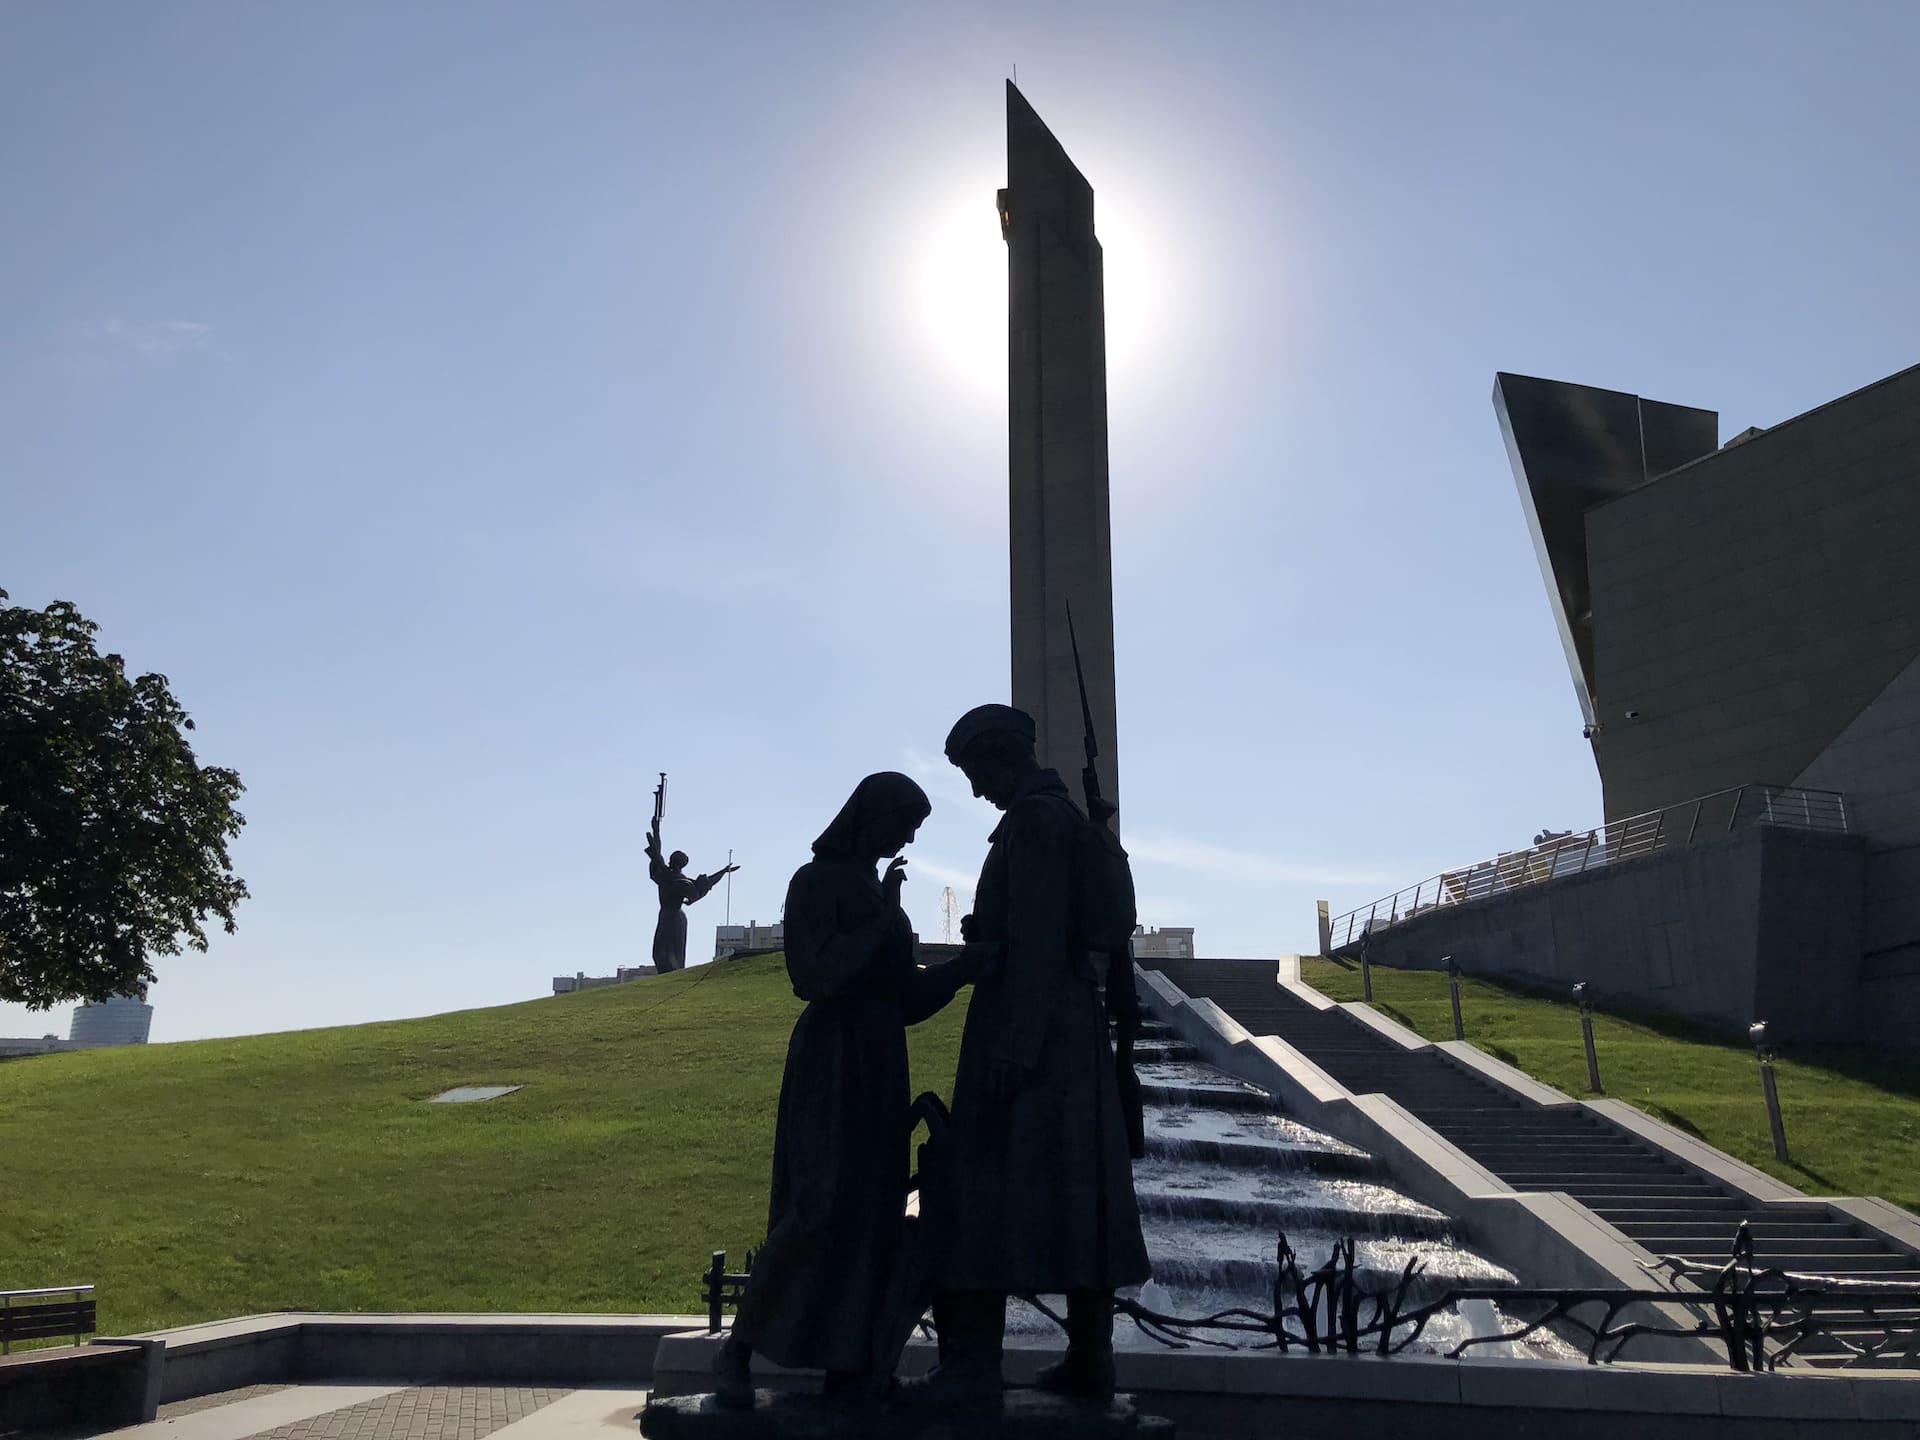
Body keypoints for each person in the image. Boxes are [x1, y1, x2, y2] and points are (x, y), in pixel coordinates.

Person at [714, 772, 991, 1408]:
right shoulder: (814, 883)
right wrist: (883, 925)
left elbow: (903, 1001)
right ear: (873, 817)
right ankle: (737, 1352)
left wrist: (961, 972)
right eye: (906, 822)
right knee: (814, 1208)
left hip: (878, 1064)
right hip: (831, 1064)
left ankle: (852, 1361)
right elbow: (812, 975)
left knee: (872, 1214)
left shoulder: (873, 891)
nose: (911, 836)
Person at [907, 704, 1149, 1410]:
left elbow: (1042, 935)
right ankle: (1089, 1362)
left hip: (1030, 1029)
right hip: (1060, 1029)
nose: (976, 788)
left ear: (1002, 755)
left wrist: (1016, 1042)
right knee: (1078, 1192)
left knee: (980, 1185)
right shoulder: (1057, 817)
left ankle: (974, 1367)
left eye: (975, 771)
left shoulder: (1037, 822)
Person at [644, 818, 737, 973]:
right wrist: (656, 831)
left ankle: (670, 975)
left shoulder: (674, 879)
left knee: (670, 952)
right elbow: (702, 886)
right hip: (669, 916)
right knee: (662, 952)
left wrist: (656, 831)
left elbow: (700, 888)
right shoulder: (672, 877)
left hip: (672, 917)